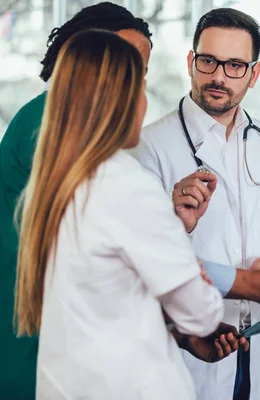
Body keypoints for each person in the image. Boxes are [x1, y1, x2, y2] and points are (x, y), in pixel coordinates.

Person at [15, 29, 233, 399]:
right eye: (140, 87)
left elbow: (105, 296)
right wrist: (191, 269)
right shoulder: (127, 185)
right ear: (120, 100)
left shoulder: (55, 187)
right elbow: (202, 315)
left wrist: (170, 233)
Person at [133, 8, 260, 400]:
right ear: (191, 62)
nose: (218, 76)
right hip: (189, 346)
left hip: (254, 340)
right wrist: (177, 220)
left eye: (234, 66)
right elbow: (143, 254)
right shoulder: (150, 146)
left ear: (254, 74)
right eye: (208, 61)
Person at [0, 3, 152, 397]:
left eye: (139, 71)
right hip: (29, 330)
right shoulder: (49, 122)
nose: (131, 82)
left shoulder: (63, 120)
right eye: (122, 63)